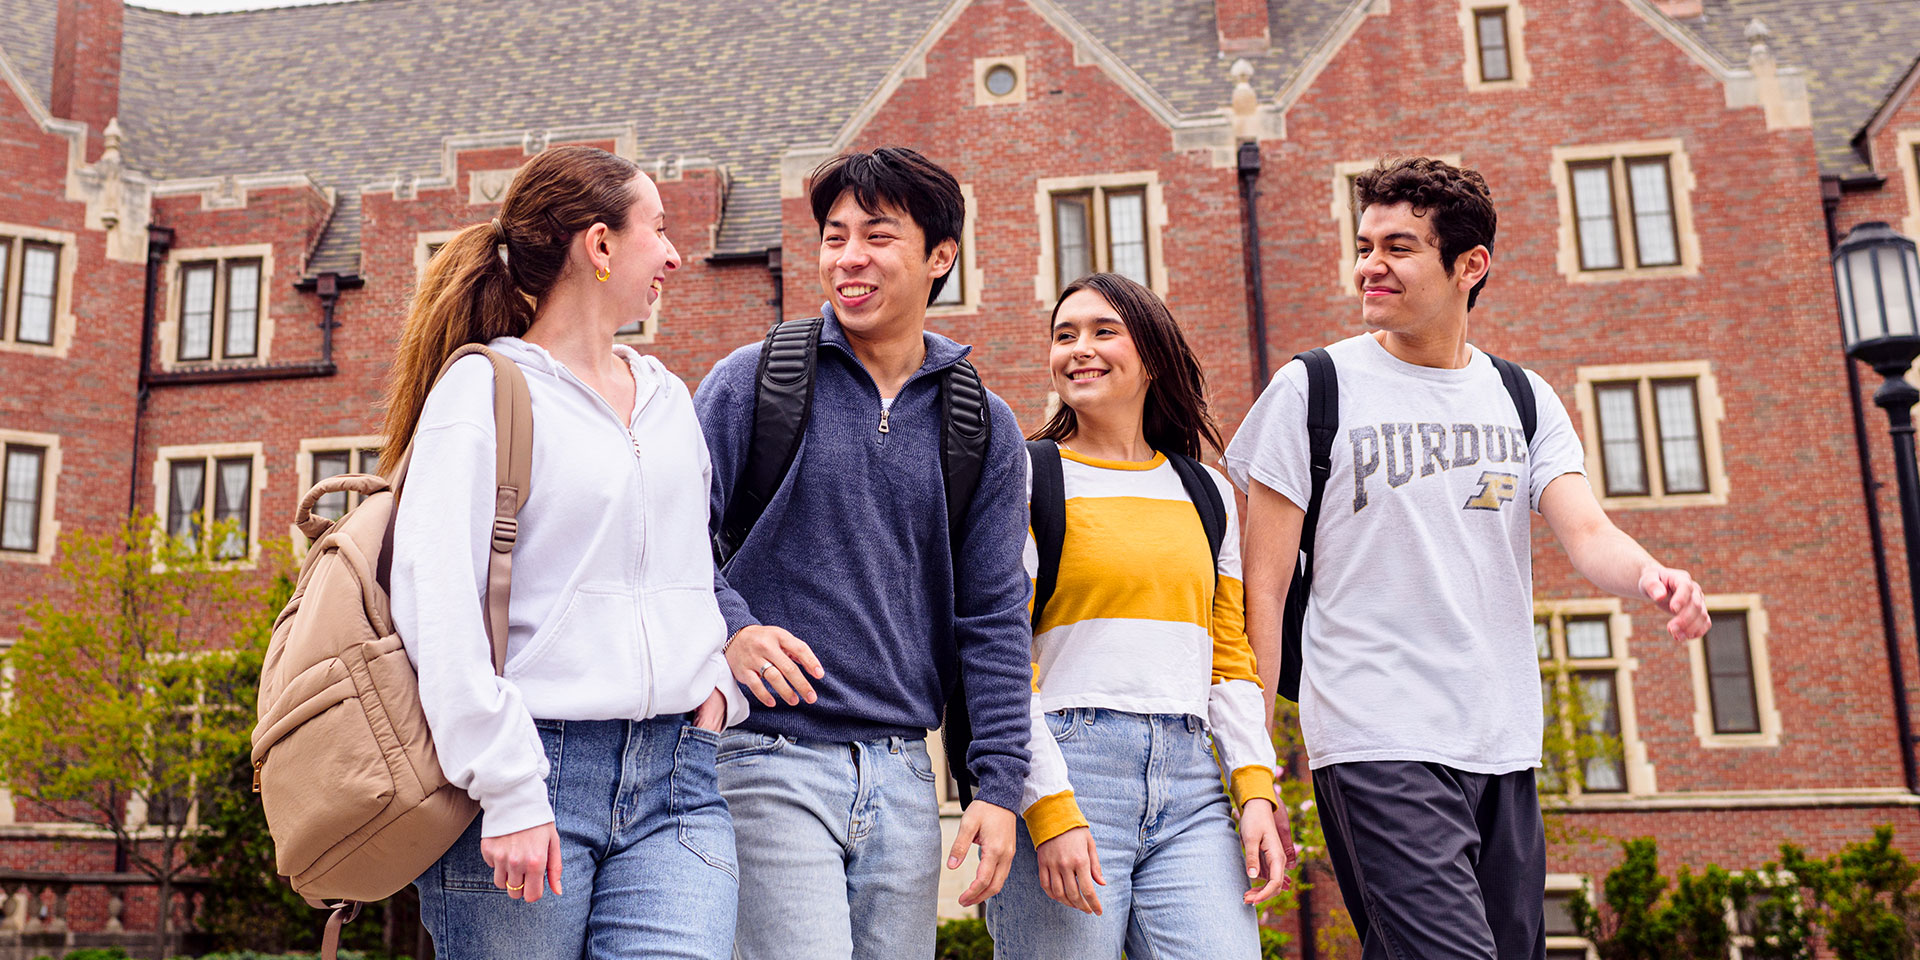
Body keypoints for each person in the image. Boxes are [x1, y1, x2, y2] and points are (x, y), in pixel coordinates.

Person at [1226, 156, 1713, 960]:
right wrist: (1259, 770)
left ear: (1469, 265)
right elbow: (1265, 591)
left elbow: (1587, 534)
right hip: (1375, 733)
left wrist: (1652, 577)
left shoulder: (1522, 397)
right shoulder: (1313, 389)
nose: (1369, 266)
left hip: (1502, 739)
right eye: (1364, 243)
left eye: (1398, 247)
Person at [387, 144, 746, 959]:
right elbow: (434, 601)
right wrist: (509, 785)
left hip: (678, 780)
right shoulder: (481, 392)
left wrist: (718, 683)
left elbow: (696, 575)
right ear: (600, 244)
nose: (674, 253)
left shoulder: (667, 399)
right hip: (532, 769)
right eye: (658, 228)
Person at [692, 147, 1033, 960]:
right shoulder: (752, 382)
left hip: (904, 776)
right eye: (834, 236)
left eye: (877, 237)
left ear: (941, 256)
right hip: (766, 757)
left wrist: (999, 786)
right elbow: (667, 542)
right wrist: (733, 628)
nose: (849, 258)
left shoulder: (984, 425)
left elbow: (991, 616)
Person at [985, 273, 1295, 959]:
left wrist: (1254, 789)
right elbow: (999, 660)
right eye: (1064, 336)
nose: (1078, 350)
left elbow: (1230, 657)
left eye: (1102, 332)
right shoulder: (1029, 478)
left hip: (1191, 785)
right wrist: (1048, 806)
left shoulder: (1206, 492)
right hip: (1067, 764)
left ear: (1151, 356)